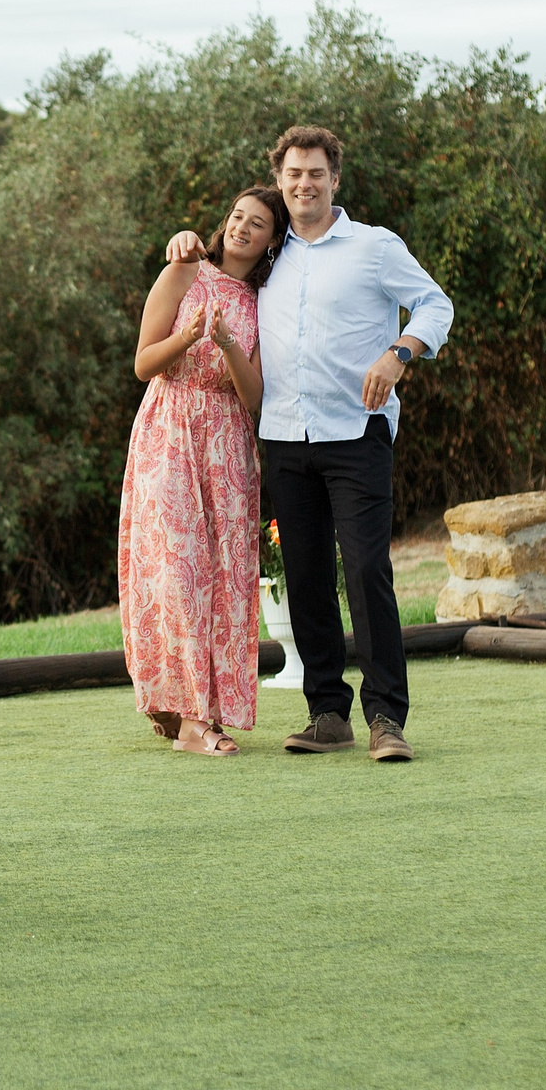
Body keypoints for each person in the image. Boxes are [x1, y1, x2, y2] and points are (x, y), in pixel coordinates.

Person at [164, 125, 451, 761]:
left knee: (368, 570)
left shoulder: (375, 248)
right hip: (285, 441)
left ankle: (386, 718)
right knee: (307, 576)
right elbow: (216, 265)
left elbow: (435, 305)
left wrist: (398, 352)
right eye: (293, 174)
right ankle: (327, 713)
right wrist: (184, 243)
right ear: (282, 179)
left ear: (334, 179)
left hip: (357, 434)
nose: (304, 184)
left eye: (315, 173)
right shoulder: (270, 255)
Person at [121, 186, 280, 755]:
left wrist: (229, 342)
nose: (241, 227)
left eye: (257, 223)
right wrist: (187, 338)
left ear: (271, 240)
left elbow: (255, 397)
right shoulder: (185, 272)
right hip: (169, 429)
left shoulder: (267, 300)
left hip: (229, 443)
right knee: (177, 570)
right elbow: (142, 363)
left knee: (224, 576)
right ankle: (190, 718)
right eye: (237, 216)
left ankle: (189, 705)